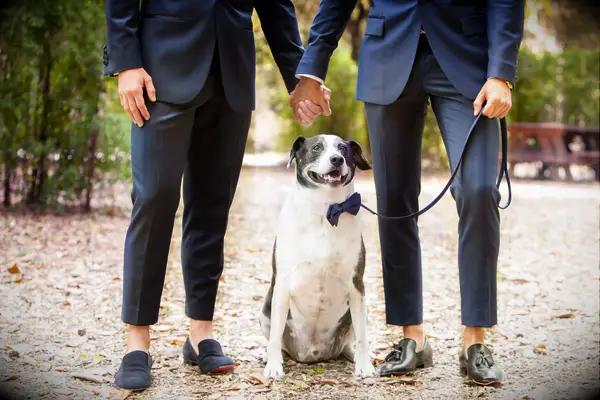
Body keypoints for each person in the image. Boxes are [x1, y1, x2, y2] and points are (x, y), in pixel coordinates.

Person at [291, 0, 524, 385]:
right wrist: (312, 69)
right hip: (388, 57)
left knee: (479, 190)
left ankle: (475, 341)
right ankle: (411, 336)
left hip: (469, 62)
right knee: (395, 199)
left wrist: (502, 71)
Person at [104, 0, 313, 390]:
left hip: (231, 70)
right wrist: (125, 61)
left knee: (213, 204)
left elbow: (276, 5)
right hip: (159, 68)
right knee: (154, 199)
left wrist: (300, 75)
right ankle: (137, 341)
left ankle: (200, 332)